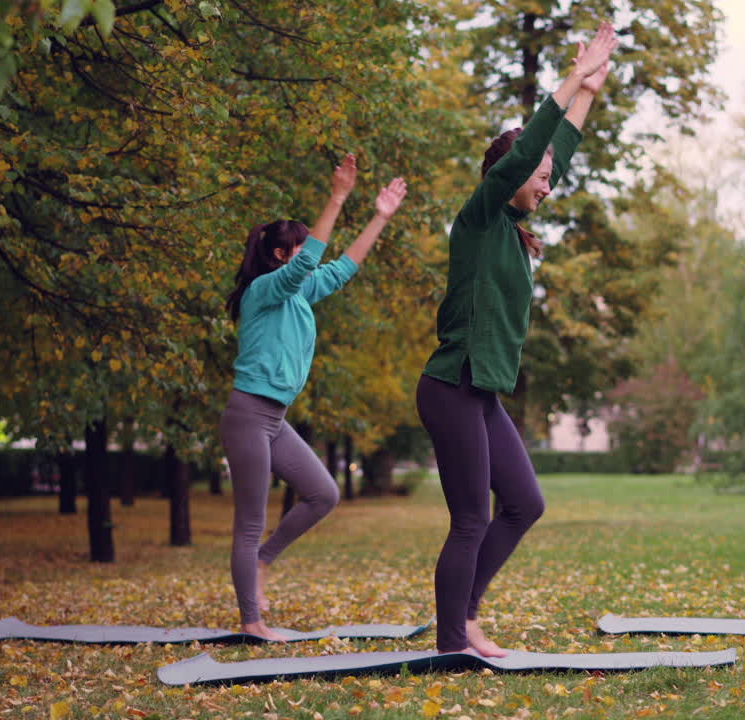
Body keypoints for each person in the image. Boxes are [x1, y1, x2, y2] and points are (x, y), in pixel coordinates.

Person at [416, 22, 619, 656]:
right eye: (539, 175)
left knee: (524, 503)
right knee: (472, 517)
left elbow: (558, 144)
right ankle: (454, 641)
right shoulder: (478, 217)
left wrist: (589, 88)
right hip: (451, 386)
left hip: (480, 394)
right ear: (511, 173)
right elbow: (536, 140)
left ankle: (466, 616)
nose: (548, 183)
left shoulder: (510, 230)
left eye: (550, 176)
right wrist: (568, 80)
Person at [220, 155, 407, 640]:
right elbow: (312, 261)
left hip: (274, 420)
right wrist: (337, 196)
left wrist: (380, 216)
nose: (311, 257)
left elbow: (343, 268)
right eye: (301, 249)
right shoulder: (265, 290)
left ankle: (265, 560)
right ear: (282, 256)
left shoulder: (300, 295)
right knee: (250, 521)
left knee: (324, 494)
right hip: (247, 415)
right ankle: (251, 622)